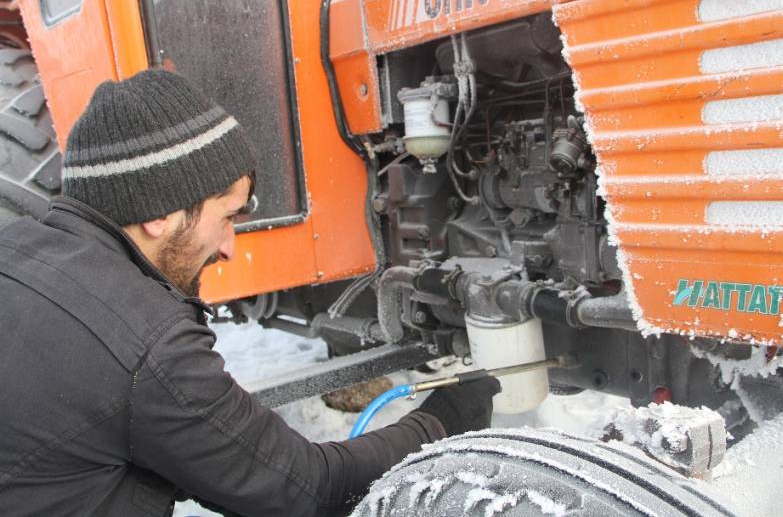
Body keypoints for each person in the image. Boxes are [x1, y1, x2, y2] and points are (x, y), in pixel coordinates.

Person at [0, 69, 501, 516]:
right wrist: (444, 421)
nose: (228, 248)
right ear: (159, 213)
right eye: (227, 217)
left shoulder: (15, 250)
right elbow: (307, 490)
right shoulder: (144, 344)